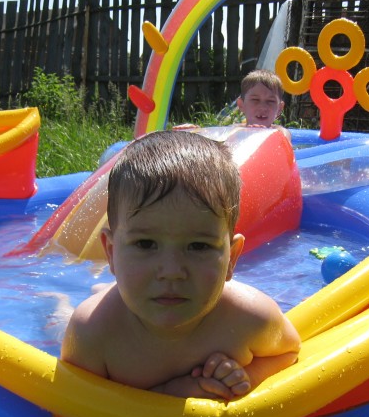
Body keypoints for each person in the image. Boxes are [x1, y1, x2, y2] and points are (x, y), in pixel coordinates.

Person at [60, 131, 300, 400]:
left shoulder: (251, 319)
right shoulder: (93, 333)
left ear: (231, 258)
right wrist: (172, 393)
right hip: (101, 309)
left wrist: (246, 379)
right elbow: (75, 412)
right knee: (59, 315)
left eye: (198, 246)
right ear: (111, 253)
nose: (172, 271)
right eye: (146, 244)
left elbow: (289, 352)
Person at [236, 69, 289, 134]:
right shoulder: (233, 131)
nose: (262, 107)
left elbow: (285, 137)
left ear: (280, 108)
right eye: (255, 100)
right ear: (241, 105)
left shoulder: (281, 132)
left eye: (270, 101)